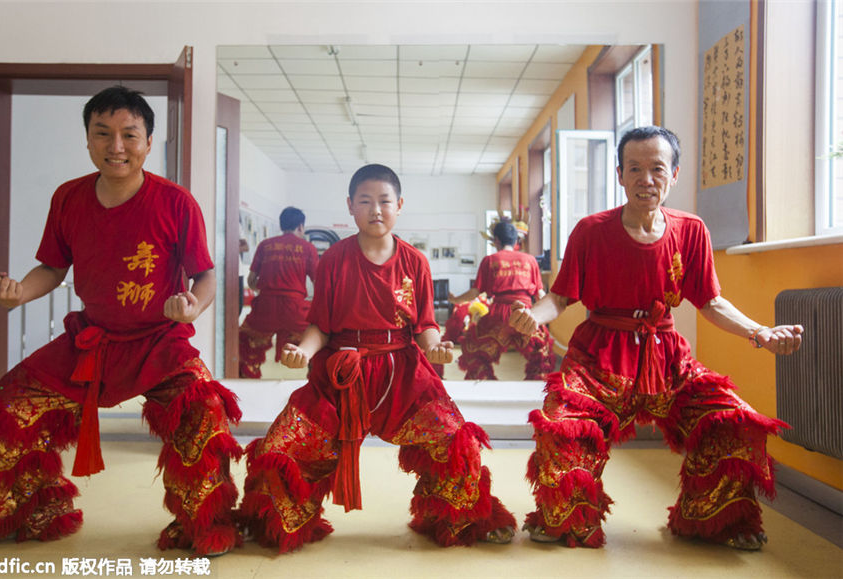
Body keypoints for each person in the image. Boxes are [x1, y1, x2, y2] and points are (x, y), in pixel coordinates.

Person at [0, 86, 243, 557]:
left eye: (129, 135)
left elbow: (206, 274)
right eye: (103, 134)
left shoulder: (176, 203)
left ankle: (206, 525)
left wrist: (193, 305)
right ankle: (28, 510)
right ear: (88, 141)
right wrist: (19, 295)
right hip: (91, 341)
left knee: (205, 412)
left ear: (148, 142)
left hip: (160, 343)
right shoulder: (68, 198)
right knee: (3, 409)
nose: (117, 146)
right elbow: (53, 268)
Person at [509, 126, 803, 551]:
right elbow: (559, 296)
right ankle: (567, 519)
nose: (646, 179)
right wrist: (531, 317)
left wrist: (761, 332)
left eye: (656, 168)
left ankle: (713, 519)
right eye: (635, 169)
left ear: (675, 174)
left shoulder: (692, 230)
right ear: (620, 175)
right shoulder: (591, 231)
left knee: (732, 420)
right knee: (562, 425)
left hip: (667, 360)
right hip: (598, 359)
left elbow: (712, 303)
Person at [236, 163, 517, 552]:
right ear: (350, 206)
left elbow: (424, 324)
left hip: (402, 373)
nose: (376, 210)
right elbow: (321, 326)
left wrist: (434, 346)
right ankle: (279, 522)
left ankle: (457, 519)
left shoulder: (415, 262)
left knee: (455, 441)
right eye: (365, 201)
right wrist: (302, 351)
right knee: (280, 449)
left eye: (384, 201)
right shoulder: (333, 259)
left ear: (399, 205)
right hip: (340, 373)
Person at [450, 220, 557, 380]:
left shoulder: (490, 260)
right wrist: (545, 318)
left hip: (498, 314)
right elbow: (540, 295)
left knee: (475, 349)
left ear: (497, 240)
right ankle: (536, 387)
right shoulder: (530, 260)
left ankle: (484, 384)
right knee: (542, 353)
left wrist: (456, 299)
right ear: (515, 240)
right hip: (526, 313)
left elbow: (475, 292)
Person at [238, 207, 318, 378]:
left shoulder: (264, 245)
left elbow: (251, 281)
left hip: (265, 307)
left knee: (243, 339)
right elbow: (318, 284)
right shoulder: (307, 248)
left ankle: (247, 378)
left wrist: (269, 288)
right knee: (318, 339)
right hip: (295, 309)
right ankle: (315, 380)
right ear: (301, 226)